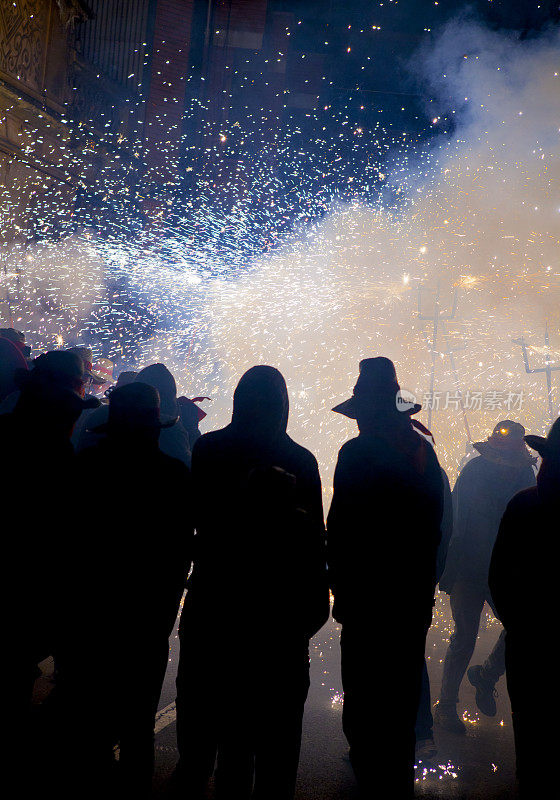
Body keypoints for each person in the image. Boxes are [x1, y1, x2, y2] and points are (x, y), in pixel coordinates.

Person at [174, 365, 329, 800]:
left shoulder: (208, 450)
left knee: (212, 726)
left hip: (216, 604)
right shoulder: (301, 460)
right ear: (283, 406)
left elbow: (191, 522)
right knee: (277, 745)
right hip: (279, 616)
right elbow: (314, 545)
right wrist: (310, 614)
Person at [56, 382, 193, 798]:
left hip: (90, 615)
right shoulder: (172, 477)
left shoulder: (86, 469)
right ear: (155, 427)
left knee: (87, 720)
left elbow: (66, 545)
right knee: (138, 724)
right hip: (146, 619)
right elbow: (179, 555)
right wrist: (164, 610)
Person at [327, 357, 444, 799]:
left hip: (367, 600)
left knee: (363, 693)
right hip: (411, 598)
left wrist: (337, 583)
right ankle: (396, 776)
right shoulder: (422, 453)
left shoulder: (356, 454)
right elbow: (434, 527)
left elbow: (341, 530)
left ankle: (369, 773)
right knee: (400, 693)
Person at [436, 420, 537, 733]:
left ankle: (487, 674)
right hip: (470, 566)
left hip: (505, 568)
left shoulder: (523, 474)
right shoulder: (475, 471)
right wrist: (450, 568)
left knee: (522, 626)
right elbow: (455, 518)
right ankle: (446, 708)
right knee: (464, 637)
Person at [489, 418, 559, 799]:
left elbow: (499, 575)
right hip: (527, 637)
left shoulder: (524, 506)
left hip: (528, 641)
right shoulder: (523, 504)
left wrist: (516, 623)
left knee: (531, 729)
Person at [135, 363, 192, 466]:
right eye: (173, 396)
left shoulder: (114, 420)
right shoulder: (170, 429)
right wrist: (192, 431)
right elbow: (187, 468)